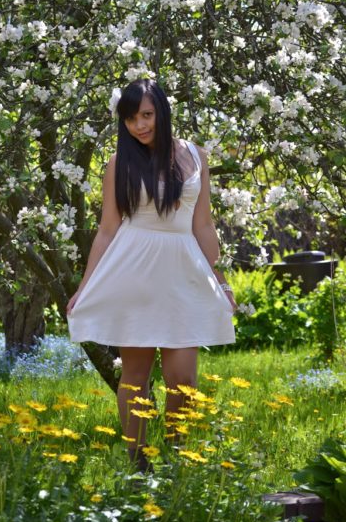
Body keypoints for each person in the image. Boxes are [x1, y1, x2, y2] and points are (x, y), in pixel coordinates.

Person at [66, 79, 236, 472]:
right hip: (134, 275)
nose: (140, 126)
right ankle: (139, 464)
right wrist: (85, 285)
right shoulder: (118, 163)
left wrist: (221, 281)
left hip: (184, 275)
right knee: (135, 377)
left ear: (162, 111)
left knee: (183, 380)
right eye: (130, 119)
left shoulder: (195, 156)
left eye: (146, 115)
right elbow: (107, 229)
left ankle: (178, 458)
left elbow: (204, 225)